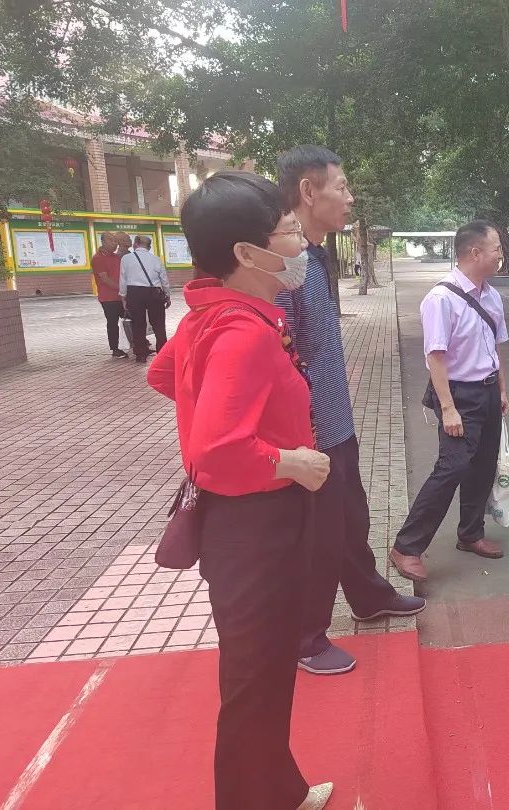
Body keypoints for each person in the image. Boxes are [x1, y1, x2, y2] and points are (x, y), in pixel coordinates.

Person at [147, 171, 335, 810]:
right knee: (257, 681)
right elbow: (216, 452)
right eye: (287, 232)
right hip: (259, 524)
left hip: (243, 524)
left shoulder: (213, 313)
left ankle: (280, 791)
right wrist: (288, 460)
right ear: (248, 254)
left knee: (262, 673)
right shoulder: (243, 330)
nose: (299, 243)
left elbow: (163, 375)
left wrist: (221, 408)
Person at [276, 146, 425, 677]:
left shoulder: (315, 256)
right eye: (341, 187)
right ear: (308, 192)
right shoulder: (285, 265)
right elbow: (280, 355)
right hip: (310, 430)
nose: (350, 197)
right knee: (317, 536)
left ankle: (368, 596)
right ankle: (304, 638)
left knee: (350, 518)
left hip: (335, 420)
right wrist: (301, 436)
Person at [390, 220, 509, 583]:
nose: (501, 255)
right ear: (475, 253)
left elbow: (495, 349)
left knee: (483, 465)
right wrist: (447, 408)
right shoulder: (441, 299)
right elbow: (436, 357)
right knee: (452, 467)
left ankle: (470, 533)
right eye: (496, 249)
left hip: (488, 390)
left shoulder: (491, 295)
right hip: (458, 394)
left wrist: (501, 390)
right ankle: (407, 547)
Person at [120, 235, 170, 362]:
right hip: (154, 293)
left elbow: (123, 279)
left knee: (138, 324)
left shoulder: (126, 259)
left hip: (134, 293)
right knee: (159, 324)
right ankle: (163, 353)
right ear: (149, 246)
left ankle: (141, 354)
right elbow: (164, 278)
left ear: (136, 243)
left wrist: (123, 296)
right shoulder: (156, 259)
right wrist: (167, 295)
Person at [91, 231, 127, 358]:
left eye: (115, 240)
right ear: (103, 242)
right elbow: (105, 279)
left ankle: (136, 343)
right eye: (111, 240)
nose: (115, 243)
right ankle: (115, 349)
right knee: (112, 323)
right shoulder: (97, 258)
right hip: (108, 298)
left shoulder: (117, 257)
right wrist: (121, 289)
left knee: (131, 318)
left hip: (121, 296)